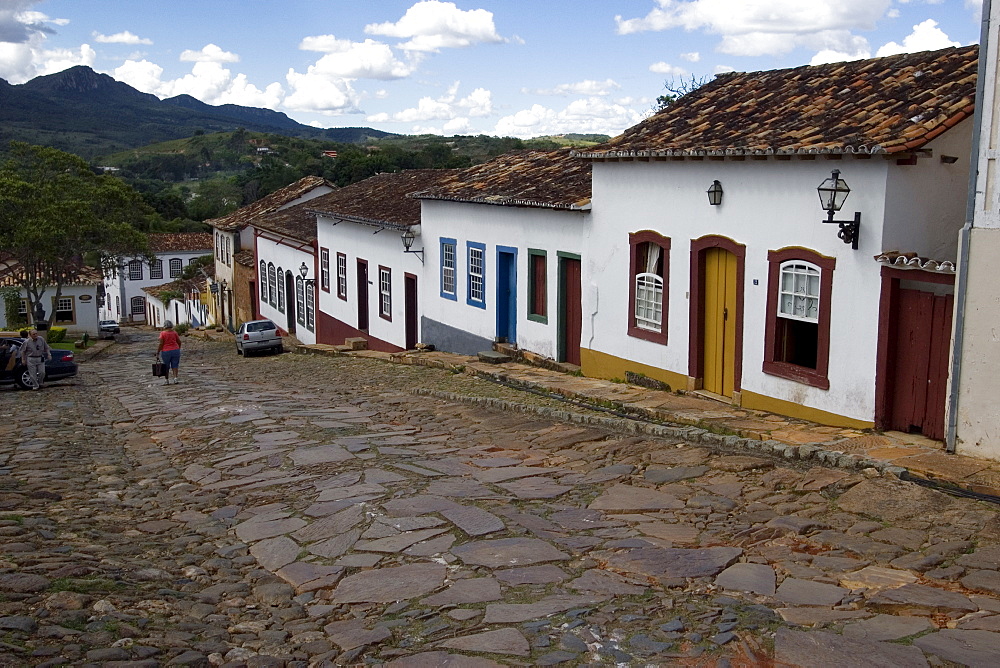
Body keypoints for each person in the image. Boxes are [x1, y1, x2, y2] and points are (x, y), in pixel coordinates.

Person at [156, 320, 182, 384]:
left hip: (166, 351)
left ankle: (166, 380)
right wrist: (178, 348)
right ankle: (175, 378)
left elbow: (161, 343)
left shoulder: (163, 333)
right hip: (175, 350)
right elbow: (179, 342)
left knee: (166, 366)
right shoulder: (174, 333)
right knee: (175, 365)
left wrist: (158, 352)